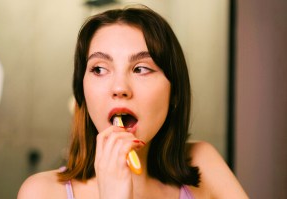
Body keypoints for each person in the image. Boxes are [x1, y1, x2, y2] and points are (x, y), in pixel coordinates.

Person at [18, 5, 248, 199]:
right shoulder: (41, 192)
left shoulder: (201, 163)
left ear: (175, 93)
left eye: (141, 69)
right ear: (82, 93)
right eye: (99, 69)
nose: (120, 88)